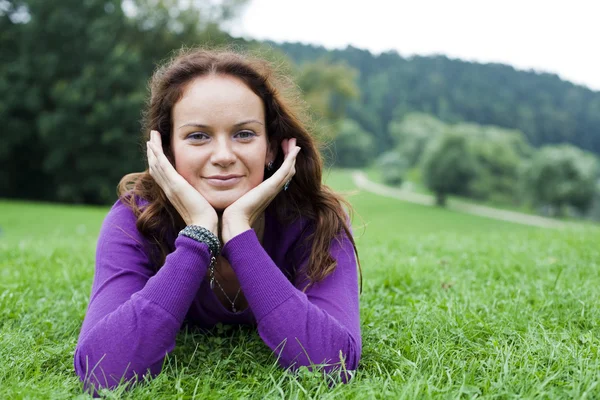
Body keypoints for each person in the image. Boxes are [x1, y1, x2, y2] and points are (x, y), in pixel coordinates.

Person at [73, 48, 362, 393]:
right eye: (198, 136)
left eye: (244, 134)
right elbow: (103, 370)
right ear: (166, 150)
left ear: (271, 148)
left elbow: (332, 364)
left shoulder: (317, 219)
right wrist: (198, 234)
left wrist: (239, 232)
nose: (224, 156)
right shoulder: (133, 218)